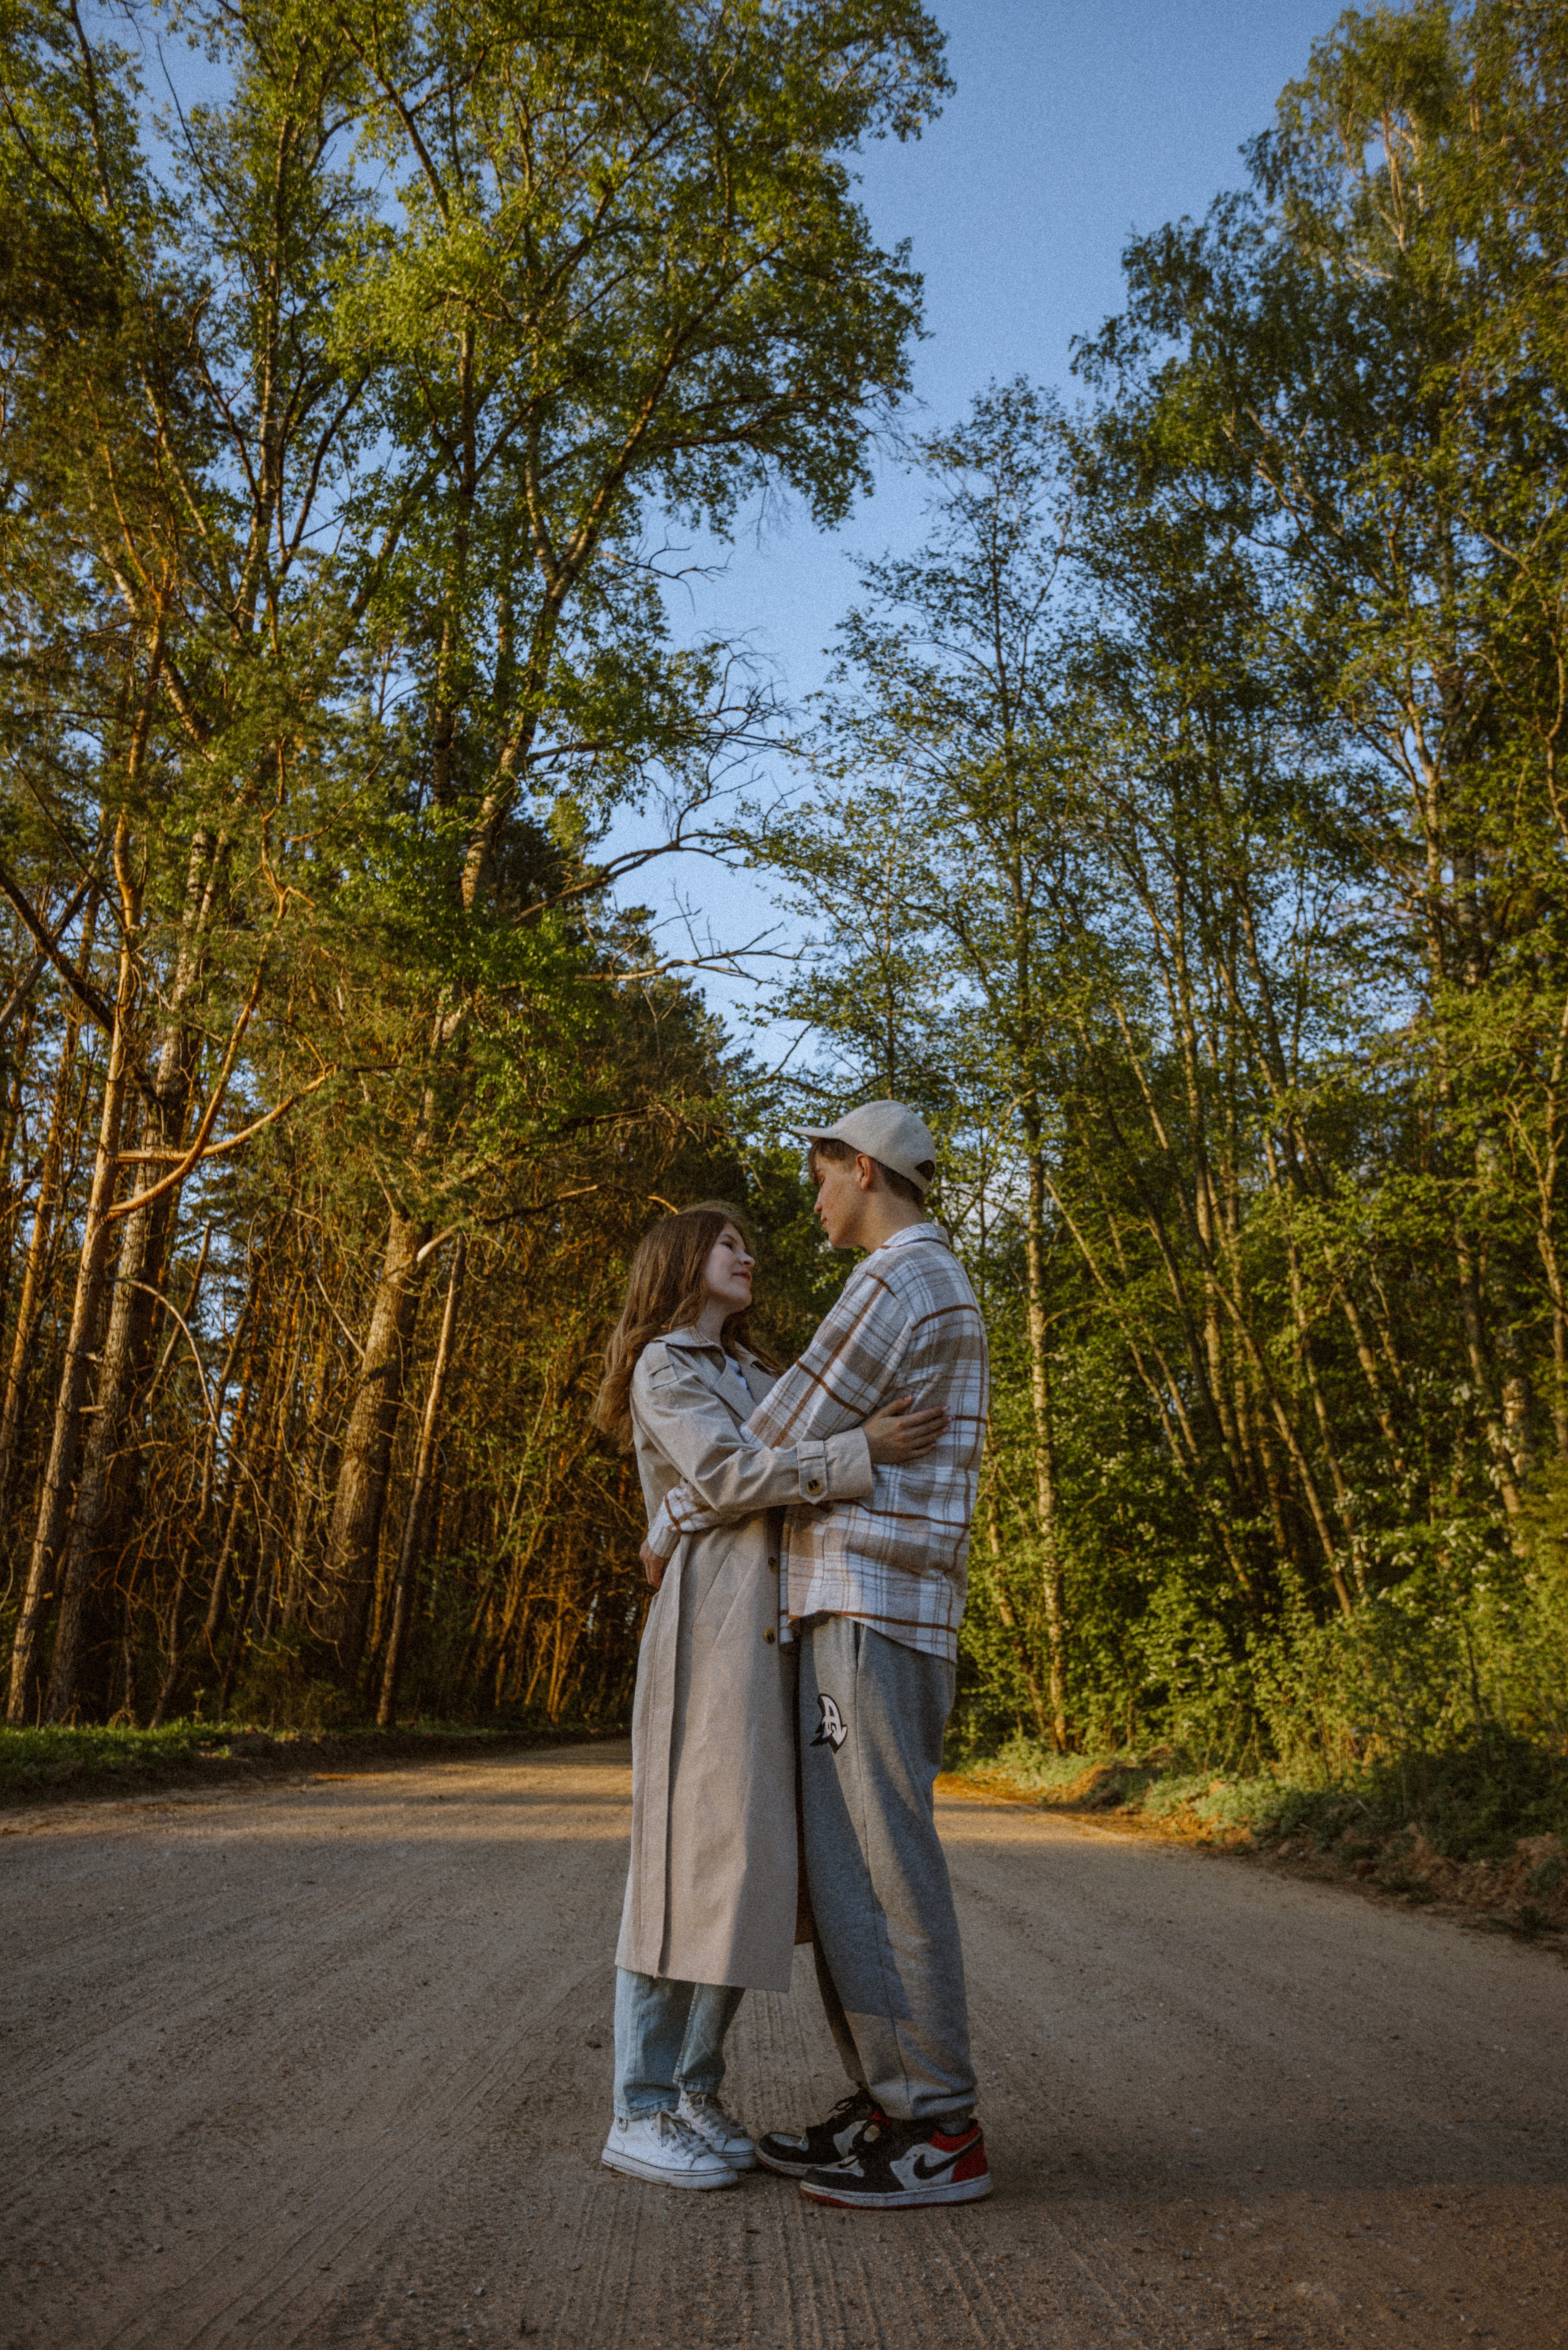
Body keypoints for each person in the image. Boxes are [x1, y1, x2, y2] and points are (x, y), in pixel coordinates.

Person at [641, 1102, 991, 2210]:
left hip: (866, 1603)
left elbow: (760, 1443)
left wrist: (666, 1523)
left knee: (878, 1868)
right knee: (849, 1865)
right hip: (883, 1605)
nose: (814, 1199)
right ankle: (893, 2105)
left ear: (866, 1167)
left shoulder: (892, 1280)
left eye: (822, 1174)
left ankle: (936, 2126)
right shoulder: (928, 1278)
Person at [593, 1199, 947, 2192]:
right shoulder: (664, 1364)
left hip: (781, 1631)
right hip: (708, 1631)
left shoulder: (757, 1371)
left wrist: (679, 1510)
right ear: (679, 1261)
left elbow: (725, 1482)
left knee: (749, 1872)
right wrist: (856, 1451)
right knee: (681, 1865)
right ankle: (640, 2104)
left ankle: (696, 2087)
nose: (747, 1256)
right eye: (727, 1243)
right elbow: (729, 1470)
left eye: (748, 1244)